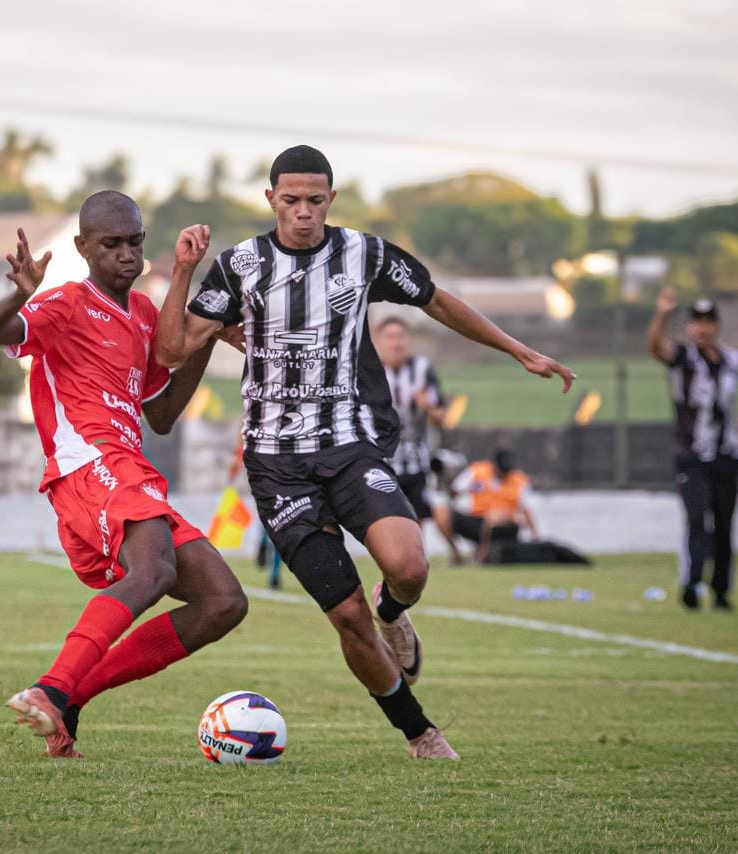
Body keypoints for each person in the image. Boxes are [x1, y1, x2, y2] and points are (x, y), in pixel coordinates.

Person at [155, 145, 575, 760]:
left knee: (409, 568)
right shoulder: (239, 265)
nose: (303, 212)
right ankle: (421, 734)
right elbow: (171, 350)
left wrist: (519, 350)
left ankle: (393, 610)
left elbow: (436, 299)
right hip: (277, 467)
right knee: (346, 614)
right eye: (291, 200)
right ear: (270, 199)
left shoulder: (364, 254)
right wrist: (182, 272)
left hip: (350, 448)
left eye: (314, 200)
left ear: (331, 199)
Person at [0, 192, 247, 759]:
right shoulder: (66, 303)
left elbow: (161, 415)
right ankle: (50, 688)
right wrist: (19, 295)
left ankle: (69, 701)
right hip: (88, 465)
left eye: (135, 242)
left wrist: (207, 336)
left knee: (223, 601)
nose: (126, 254)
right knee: (154, 570)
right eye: (111, 244)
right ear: (83, 247)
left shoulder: (143, 313)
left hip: (127, 469)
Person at [648, 288, 738, 610]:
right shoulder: (683, 357)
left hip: (727, 455)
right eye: (696, 322)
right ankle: (691, 584)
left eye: (707, 322)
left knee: (725, 525)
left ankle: (721, 592)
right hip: (691, 455)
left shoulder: (733, 359)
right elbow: (656, 347)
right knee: (698, 519)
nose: (702, 329)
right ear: (689, 327)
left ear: (716, 326)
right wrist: (662, 315)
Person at [374, 316, 447, 545]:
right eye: (390, 337)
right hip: (382, 457)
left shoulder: (422, 370)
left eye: (400, 336)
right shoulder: (371, 372)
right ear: (379, 341)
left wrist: (428, 406)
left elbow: (441, 416)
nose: (396, 343)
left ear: (408, 340)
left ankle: (415, 553)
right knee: (386, 513)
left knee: (417, 513)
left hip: (416, 456)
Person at [436, 450, 539, 565]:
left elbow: (526, 508)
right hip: (478, 521)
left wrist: (534, 534)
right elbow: (454, 492)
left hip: (505, 526)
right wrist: (449, 481)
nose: (503, 474)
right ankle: (456, 554)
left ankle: (482, 554)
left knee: (494, 517)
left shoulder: (520, 480)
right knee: (442, 513)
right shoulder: (477, 471)